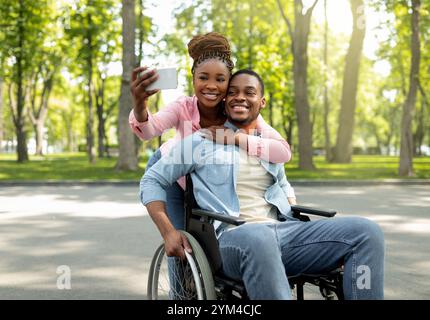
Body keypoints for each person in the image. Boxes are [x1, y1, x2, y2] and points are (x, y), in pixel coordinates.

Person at [141, 69, 385, 300]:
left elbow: (283, 186)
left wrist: (303, 222)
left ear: (262, 102)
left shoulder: (265, 145)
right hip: (232, 239)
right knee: (258, 236)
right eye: (233, 92)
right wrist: (168, 231)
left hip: (283, 233)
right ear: (225, 101)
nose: (240, 98)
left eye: (249, 92)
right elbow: (152, 179)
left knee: (365, 232)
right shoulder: (201, 141)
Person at [129, 32, 296, 231]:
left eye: (220, 79)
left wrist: (237, 138)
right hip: (174, 173)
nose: (211, 85)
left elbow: (282, 151)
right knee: (182, 238)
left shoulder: (237, 109)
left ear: (229, 83)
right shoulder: (183, 107)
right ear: (193, 80)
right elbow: (148, 132)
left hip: (205, 176)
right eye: (203, 78)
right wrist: (140, 104)